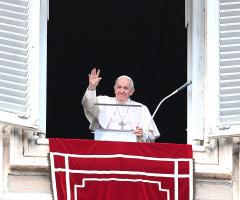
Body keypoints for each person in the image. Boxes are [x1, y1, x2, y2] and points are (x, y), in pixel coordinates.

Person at [82, 68, 160, 142]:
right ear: (114, 89)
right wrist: (92, 87)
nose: (121, 91)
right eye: (119, 87)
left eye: (125, 88)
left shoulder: (142, 108)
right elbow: (87, 105)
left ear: (131, 91)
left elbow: (151, 136)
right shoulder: (103, 101)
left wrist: (142, 135)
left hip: (131, 149)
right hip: (106, 147)